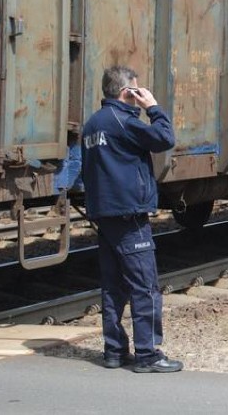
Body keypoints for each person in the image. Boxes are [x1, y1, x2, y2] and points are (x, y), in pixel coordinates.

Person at [80, 65, 183, 373]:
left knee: (113, 288)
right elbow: (165, 138)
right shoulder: (123, 121)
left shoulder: (92, 125)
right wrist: (152, 107)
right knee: (144, 287)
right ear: (127, 92)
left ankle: (113, 351)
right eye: (137, 90)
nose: (140, 95)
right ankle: (147, 355)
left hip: (105, 216)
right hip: (129, 217)